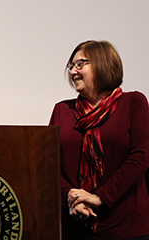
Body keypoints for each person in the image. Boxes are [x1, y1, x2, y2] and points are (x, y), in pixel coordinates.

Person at [49, 40, 149, 240]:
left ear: (103, 64)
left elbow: (140, 157)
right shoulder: (62, 109)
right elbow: (50, 164)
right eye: (71, 66)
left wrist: (99, 197)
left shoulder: (133, 103)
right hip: (76, 225)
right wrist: (72, 198)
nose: (72, 72)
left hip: (126, 228)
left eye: (80, 64)